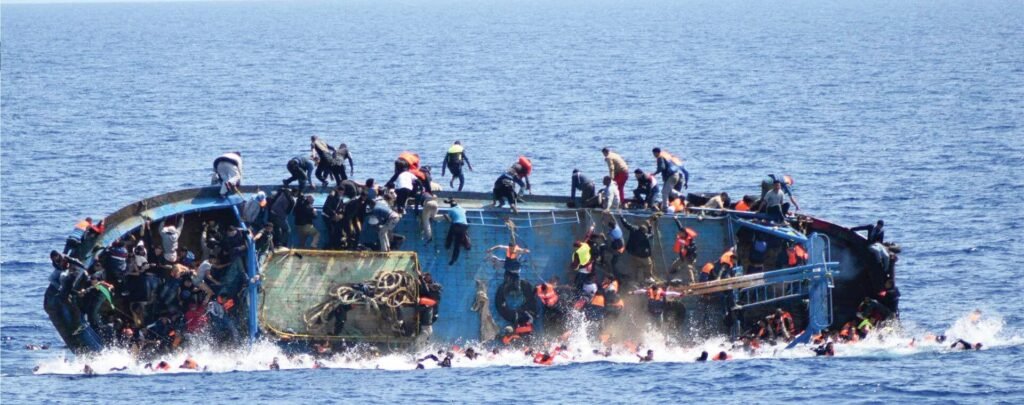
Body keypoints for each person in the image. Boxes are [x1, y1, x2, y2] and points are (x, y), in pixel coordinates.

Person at [617, 214, 654, 285]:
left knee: (639, 266)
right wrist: (650, 226)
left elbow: (626, 224)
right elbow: (651, 234)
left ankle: (639, 281)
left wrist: (621, 216)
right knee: (649, 264)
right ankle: (648, 278)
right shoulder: (645, 236)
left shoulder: (634, 229)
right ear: (644, 231)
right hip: (642, 254)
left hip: (633, 252)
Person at [443, 199, 471, 265]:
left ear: (451, 206)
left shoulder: (451, 210)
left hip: (457, 225)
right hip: (465, 226)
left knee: (451, 232)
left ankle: (448, 245)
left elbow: (449, 219)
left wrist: (446, 216)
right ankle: (454, 259)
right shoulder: (462, 209)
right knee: (457, 244)